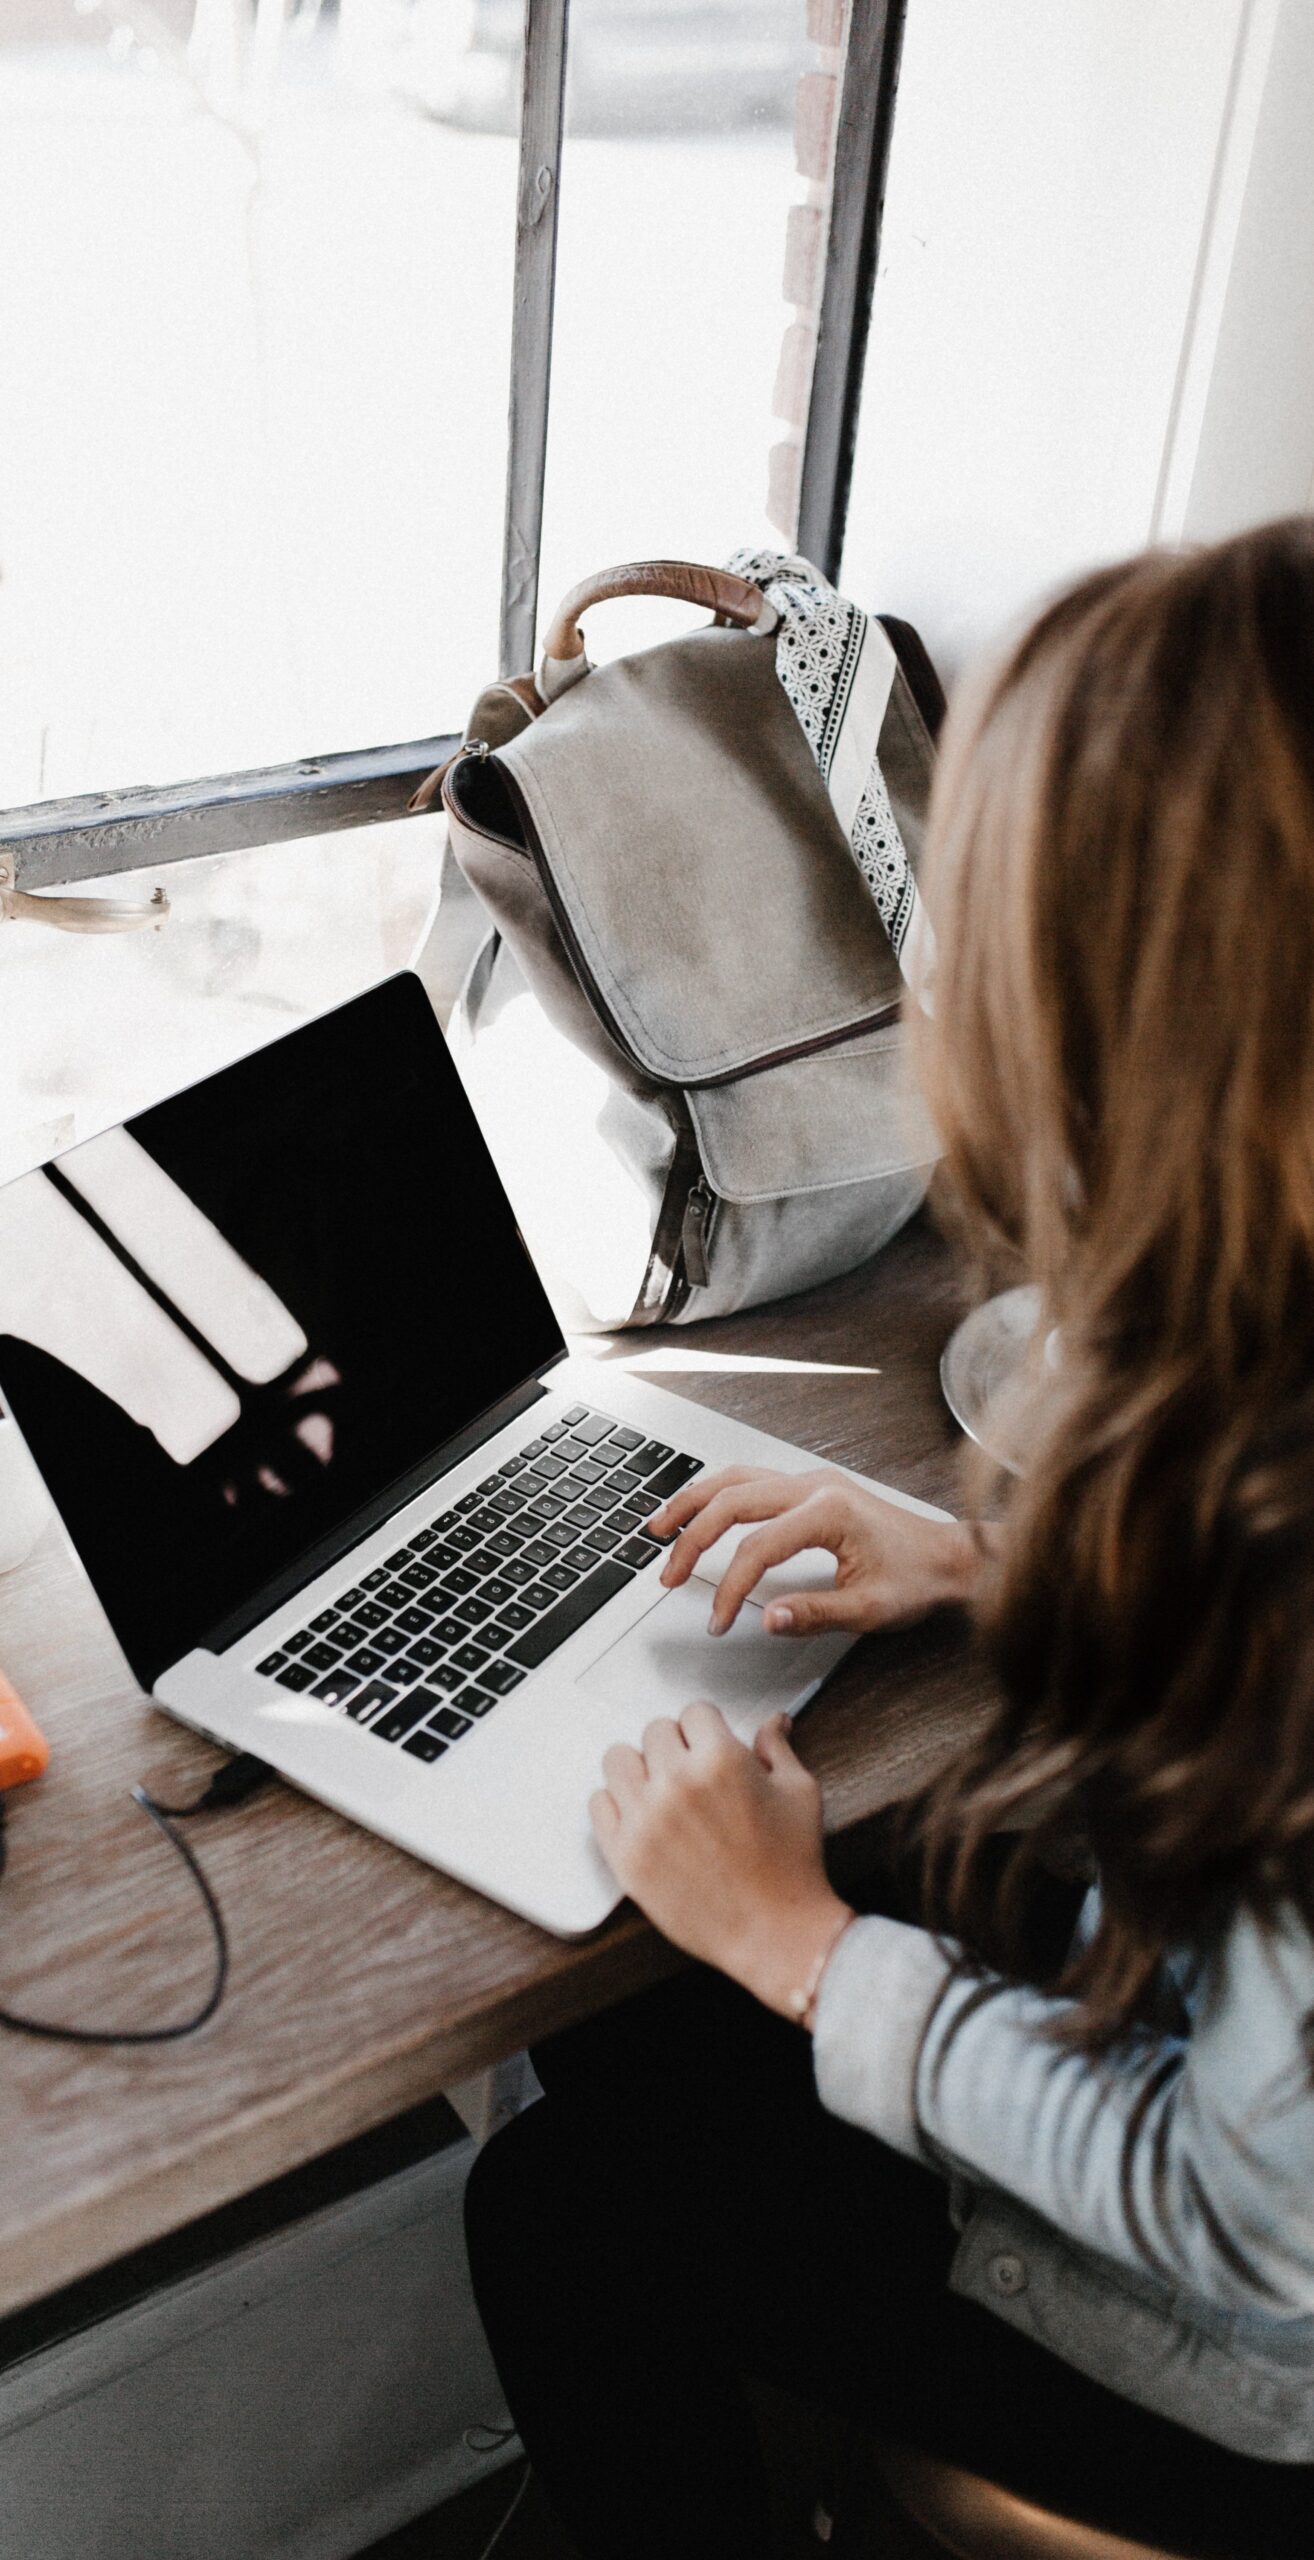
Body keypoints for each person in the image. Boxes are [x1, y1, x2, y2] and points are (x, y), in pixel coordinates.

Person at [464, 519, 1314, 2559]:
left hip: (1259, 2371)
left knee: (564, 2201)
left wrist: (799, 1942)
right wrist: (990, 1572)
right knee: (659, 2016)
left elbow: (1243, 2215)